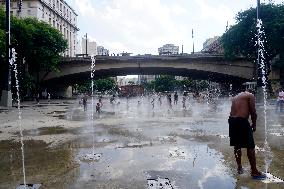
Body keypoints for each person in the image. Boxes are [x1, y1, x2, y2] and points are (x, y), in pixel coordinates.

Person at [229, 88, 265, 179]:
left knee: (237, 145)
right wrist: (254, 125)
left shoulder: (236, 97)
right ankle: (254, 171)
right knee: (250, 146)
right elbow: (253, 112)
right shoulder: (250, 95)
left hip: (232, 121)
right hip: (241, 121)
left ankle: (239, 167)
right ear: (252, 93)